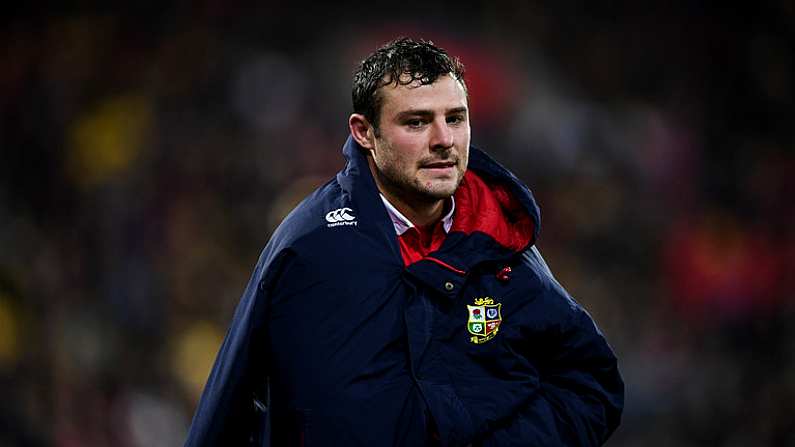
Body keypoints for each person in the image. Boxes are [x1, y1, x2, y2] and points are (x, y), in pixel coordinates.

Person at [184, 37, 624, 447]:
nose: (443, 140)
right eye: (416, 122)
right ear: (364, 132)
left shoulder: (497, 241)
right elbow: (231, 400)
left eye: (455, 118)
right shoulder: (312, 246)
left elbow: (591, 384)